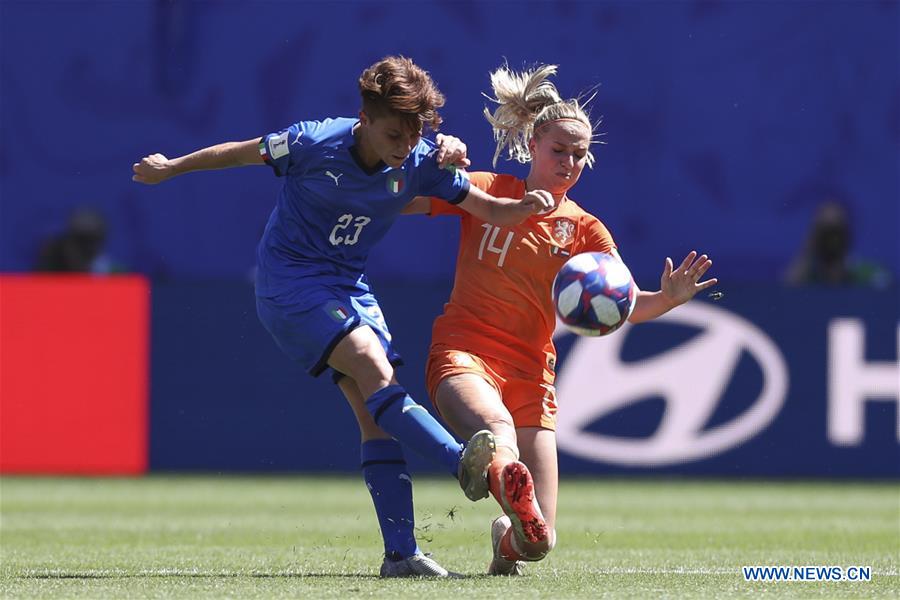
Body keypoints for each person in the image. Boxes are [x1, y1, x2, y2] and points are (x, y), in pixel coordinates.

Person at [132, 56, 556, 578]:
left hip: (350, 288)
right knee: (372, 365)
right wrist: (172, 166)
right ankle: (469, 467)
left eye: (414, 134)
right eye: (394, 133)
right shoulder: (313, 142)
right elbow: (238, 152)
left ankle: (400, 554)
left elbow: (485, 207)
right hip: (291, 284)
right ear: (365, 118)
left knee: (374, 411)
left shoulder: (420, 159)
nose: (404, 145)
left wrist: (521, 209)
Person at [403, 63, 718, 575]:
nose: (569, 162)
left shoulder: (586, 231)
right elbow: (401, 201)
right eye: (559, 150)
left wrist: (668, 298)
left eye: (579, 154)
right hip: (464, 354)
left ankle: (505, 535)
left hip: (532, 375)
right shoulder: (487, 190)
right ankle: (501, 471)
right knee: (496, 427)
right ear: (533, 145)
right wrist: (427, 163)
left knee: (539, 542)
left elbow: (630, 306)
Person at [785, 198, 892, 288]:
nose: (831, 239)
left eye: (837, 231)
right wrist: (808, 250)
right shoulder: (806, 276)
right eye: (826, 231)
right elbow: (787, 288)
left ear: (847, 233)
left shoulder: (867, 274)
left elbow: (886, 285)